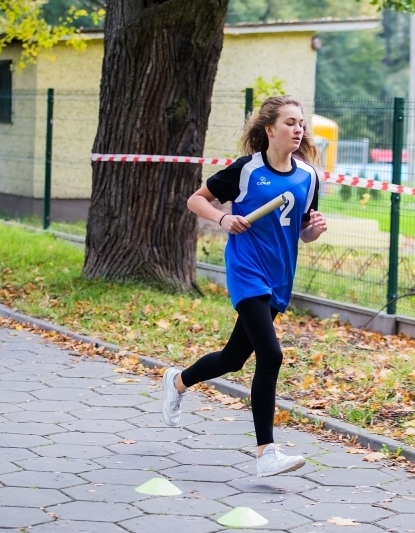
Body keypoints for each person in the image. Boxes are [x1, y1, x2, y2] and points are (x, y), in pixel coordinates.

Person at [161, 95, 328, 477]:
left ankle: (179, 380)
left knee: (234, 358)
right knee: (271, 356)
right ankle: (266, 454)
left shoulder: (309, 176)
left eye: (300, 122)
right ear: (270, 130)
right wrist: (223, 219)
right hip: (247, 269)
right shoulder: (247, 170)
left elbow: (302, 231)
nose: (297, 128)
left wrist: (313, 231)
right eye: (289, 122)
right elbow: (196, 200)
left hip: (279, 277)